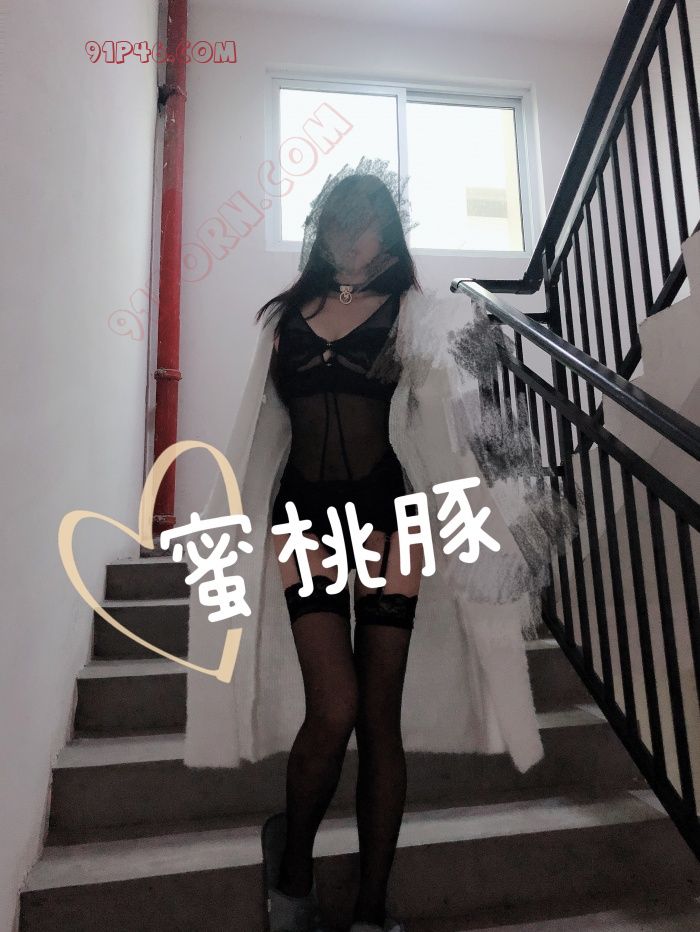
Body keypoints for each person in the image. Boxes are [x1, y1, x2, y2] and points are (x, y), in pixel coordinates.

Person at [181, 158, 580, 932]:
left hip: (393, 523)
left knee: (379, 718)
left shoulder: (416, 314)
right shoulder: (283, 318)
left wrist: (519, 502)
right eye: (340, 220)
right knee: (333, 706)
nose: (353, 235)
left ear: (388, 233)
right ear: (320, 229)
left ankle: (371, 906)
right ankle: (293, 868)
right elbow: (258, 430)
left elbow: (465, 415)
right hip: (304, 522)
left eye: (366, 222)